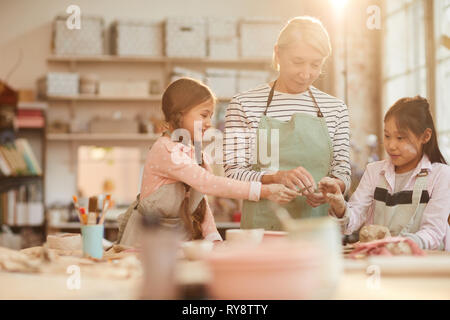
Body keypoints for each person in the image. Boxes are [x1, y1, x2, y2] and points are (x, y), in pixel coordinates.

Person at [117, 78, 297, 245]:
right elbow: (208, 184)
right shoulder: (165, 149)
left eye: (211, 116)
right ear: (179, 114)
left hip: (176, 243)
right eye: (204, 115)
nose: (209, 123)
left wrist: (213, 239)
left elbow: (200, 202)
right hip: (144, 244)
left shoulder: (195, 152)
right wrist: (264, 191)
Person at [223, 16, 351, 230]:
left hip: (317, 232)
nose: (306, 73)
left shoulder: (336, 109)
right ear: (278, 54)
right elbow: (233, 173)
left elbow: (342, 171)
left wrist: (333, 187)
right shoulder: (243, 104)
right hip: (261, 232)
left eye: (315, 64)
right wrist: (275, 177)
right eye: (298, 62)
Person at [320, 96, 450, 251]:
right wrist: (340, 207)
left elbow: (433, 233)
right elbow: (350, 224)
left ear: (425, 136)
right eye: (387, 136)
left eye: (400, 138)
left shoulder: (441, 175)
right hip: (382, 262)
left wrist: (398, 246)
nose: (391, 145)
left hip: (423, 265)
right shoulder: (374, 171)